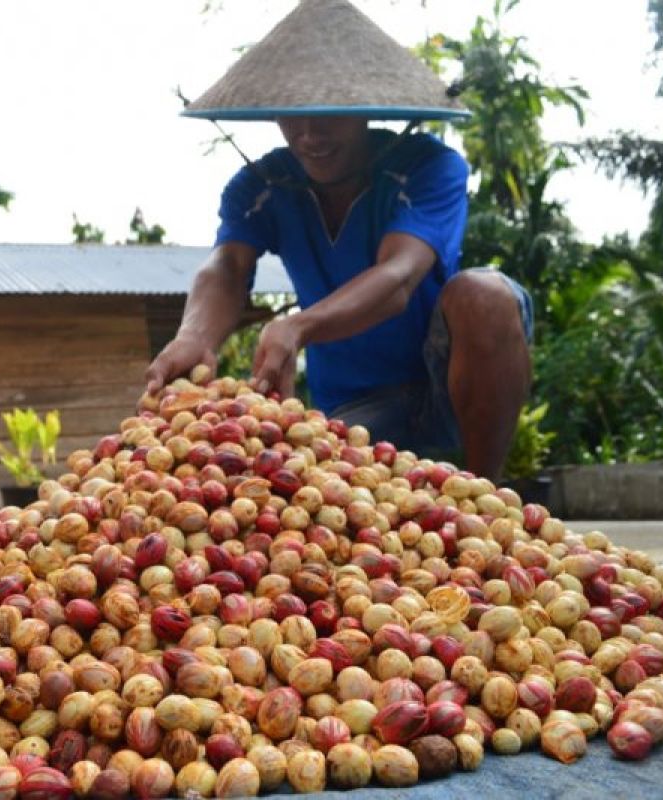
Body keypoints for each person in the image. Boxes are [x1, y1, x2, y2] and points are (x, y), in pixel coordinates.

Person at [145, 0, 532, 481]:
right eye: (294, 116)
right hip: (357, 407)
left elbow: (399, 277)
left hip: (449, 391)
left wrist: (298, 326)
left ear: (365, 108)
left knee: (485, 295)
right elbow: (227, 267)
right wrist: (193, 337)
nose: (310, 135)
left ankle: (486, 496)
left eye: (330, 114)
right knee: (297, 492)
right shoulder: (259, 186)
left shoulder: (427, 166)